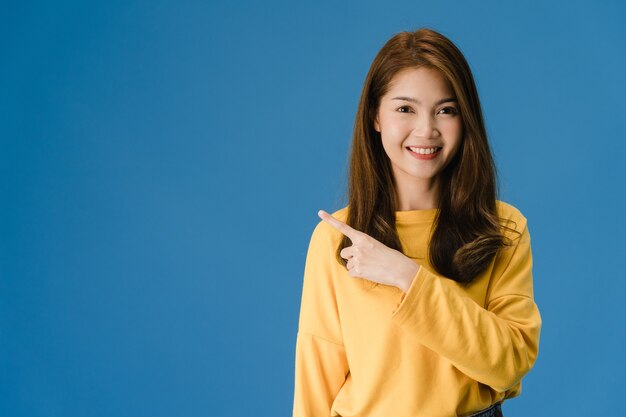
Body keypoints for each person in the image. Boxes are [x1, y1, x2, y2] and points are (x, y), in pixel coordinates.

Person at [292, 28, 542, 417]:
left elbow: (509, 363)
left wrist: (409, 277)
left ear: (466, 118)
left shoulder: (503, 229)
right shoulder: (337, 239)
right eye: (405, 109)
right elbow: (315, 383)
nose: (426, 130)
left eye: (446, 109)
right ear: (375, 116)